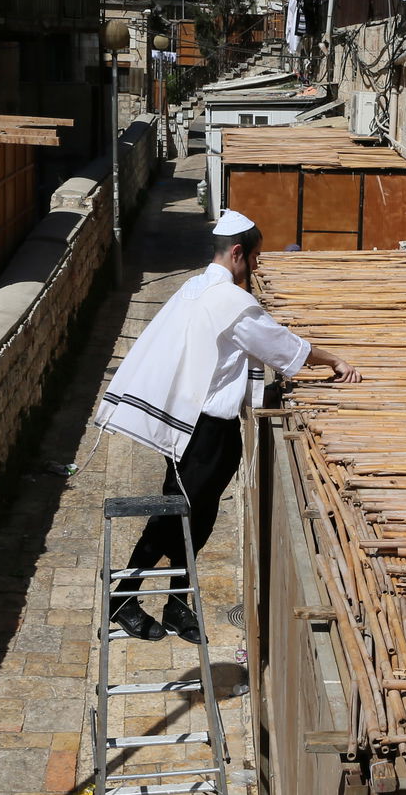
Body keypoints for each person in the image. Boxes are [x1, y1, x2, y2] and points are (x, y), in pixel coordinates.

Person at [94, 209, 361, 642]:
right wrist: (335, 360)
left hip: (193, 425)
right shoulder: (229, 302)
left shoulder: (193, 288)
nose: (255, 266)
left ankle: (177, 603)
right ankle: (122, 598)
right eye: (254, 258)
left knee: (198, 517)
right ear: (237, 252)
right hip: (206, 433)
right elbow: (281, 345)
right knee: (174, 515)